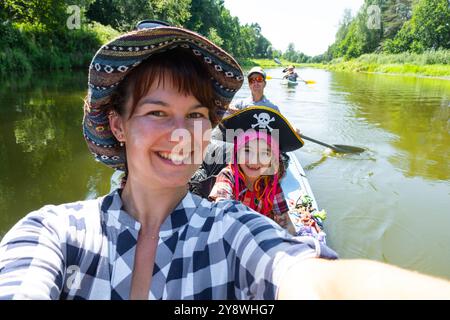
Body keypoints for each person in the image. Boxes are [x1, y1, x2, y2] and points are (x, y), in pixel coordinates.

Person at [0, 21, 450, 300]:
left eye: (196, 115)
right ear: (117, 125)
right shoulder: (53, 233)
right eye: (157, 112)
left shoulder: (229, 230)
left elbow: (318, 283)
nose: (182, 133)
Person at [208, 107, 302, 234]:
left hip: (264, 237)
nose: (254, 161)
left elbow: (285, 222)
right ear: (237, 152)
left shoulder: (272, 184)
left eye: (264, 153)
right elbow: (221, 205)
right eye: (247, 151)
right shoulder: (227, 176)